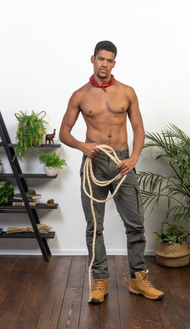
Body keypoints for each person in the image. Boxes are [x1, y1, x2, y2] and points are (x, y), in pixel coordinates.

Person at [59, 40, 164, 304]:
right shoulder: (80, 95)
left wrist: (133, 158)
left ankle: (138, 279)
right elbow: (64, 133)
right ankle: (100, 280)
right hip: (93, 163)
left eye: (109, 60)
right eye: (100, 59)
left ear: (114, 63)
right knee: (94, 227)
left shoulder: (127, 92)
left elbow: (139, 129)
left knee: (136, 224)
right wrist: (82, 145)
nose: (104, 64)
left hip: (122, 162)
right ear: (92, 59)